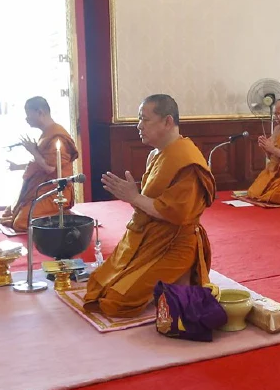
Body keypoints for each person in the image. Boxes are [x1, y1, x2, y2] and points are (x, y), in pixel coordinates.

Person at [83, 95, 215, 317]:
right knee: (97, 286)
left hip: (174, 244)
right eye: (139, 119)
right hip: (148, 237)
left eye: (145, 119)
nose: (139, 126)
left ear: (167, 121)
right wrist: (133, 197)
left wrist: (133, 197)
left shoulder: (187, 161)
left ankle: (178, 283)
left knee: (116, 302)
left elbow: (177, 214)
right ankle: (167, 288)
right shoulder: (156, 154)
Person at [0, 97, 78, 233]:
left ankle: (62, 216)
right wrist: (17, 166)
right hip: (40, 189)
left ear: (40, 112)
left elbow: (50, 168)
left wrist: (33, 151)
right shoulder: (46, 134)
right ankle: (54, 216)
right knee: (9, 213)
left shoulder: (57, 137)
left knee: (20, 222)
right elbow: (39, 164)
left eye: (28, 114)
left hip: (55, 192)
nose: (26, 118)